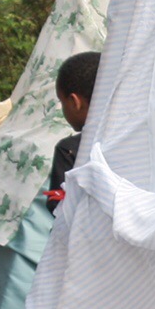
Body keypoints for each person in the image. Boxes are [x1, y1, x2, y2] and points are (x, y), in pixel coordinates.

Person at [45, 51, 98, 208]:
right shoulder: (137, 139)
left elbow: (59, 209)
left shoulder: (69, 150)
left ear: (75, 102)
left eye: (62, 101)